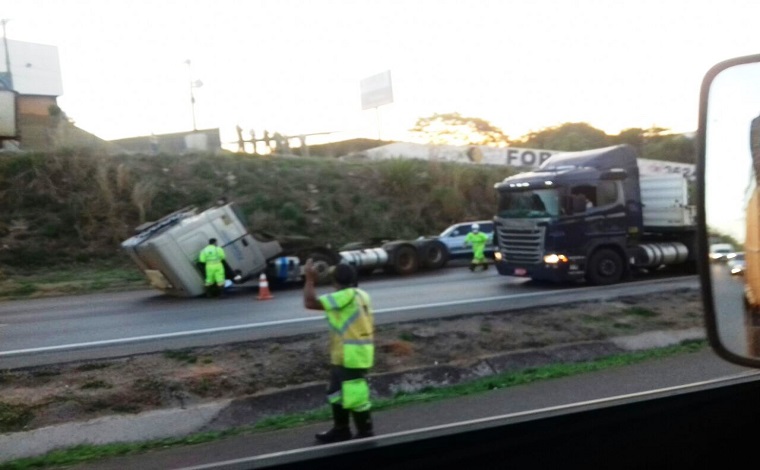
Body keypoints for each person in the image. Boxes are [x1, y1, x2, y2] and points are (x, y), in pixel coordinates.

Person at [303, 259, 375, 444]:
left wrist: (310, 279)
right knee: (335, 392)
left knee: (355, 395)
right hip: (346, 352)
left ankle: (365, 432)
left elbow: (310, 302)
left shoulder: (345, 296)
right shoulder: (361, 294)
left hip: (351, 355)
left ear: (336, 282)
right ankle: (341, 429)